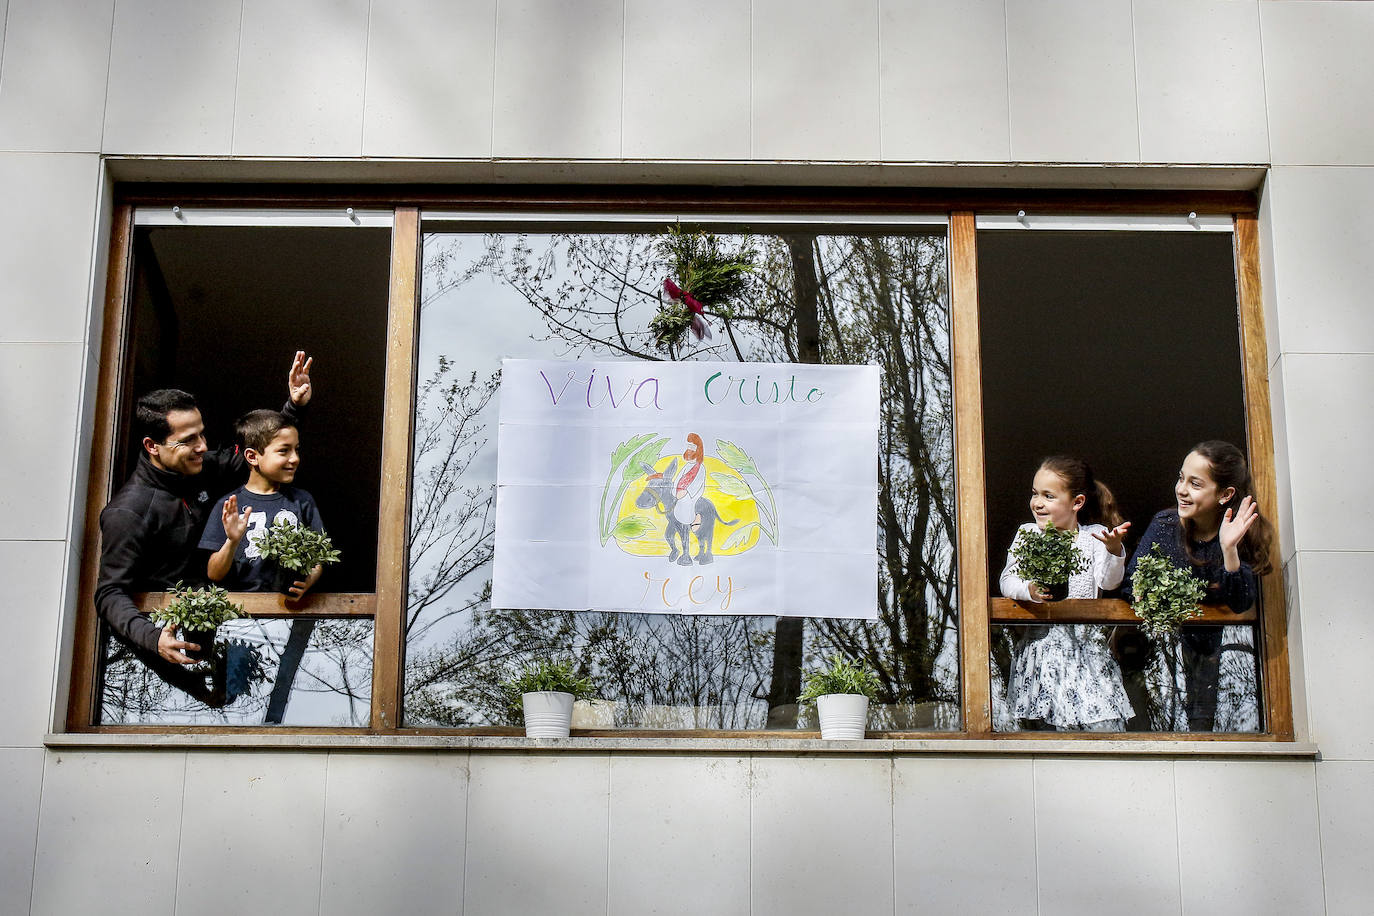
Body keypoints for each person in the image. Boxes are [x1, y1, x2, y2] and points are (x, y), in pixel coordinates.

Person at [94, 352, 313, 666]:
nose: (201, 446)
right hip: (170, 643)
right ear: (152, 446)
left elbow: (256, 457)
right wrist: (153, 637)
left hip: (237, 623)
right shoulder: (129, 512)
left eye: (201, 433)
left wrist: (293, 406)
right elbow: (110, 593)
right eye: (187, 440)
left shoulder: (201, 464)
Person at [1124, 440, 1273, 732]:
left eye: (1195, 483)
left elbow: (1242, 602)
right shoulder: (1166, 525)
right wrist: (1151, 594)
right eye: (1181, 478)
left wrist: (1229, 549)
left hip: (1228, 663)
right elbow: (1131, 584)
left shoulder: (1241, 532)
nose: (1181, 489)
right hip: (1173, 660)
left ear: (1224, 494)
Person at [999, 456, 1135, 731]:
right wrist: (1030, 590)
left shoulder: (1093, 536)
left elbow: (1109, 583)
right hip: (1042, 652)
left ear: (1077, 502)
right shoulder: (1028, 534)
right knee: (1047, 734)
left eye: (1049, 496)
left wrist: (1113, 550)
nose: (1038, 502)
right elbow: (1007, 580)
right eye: (1035, 494)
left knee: (1099, 729)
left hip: (1086, 652)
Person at [200, 409, 325, 597]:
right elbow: (214, 573)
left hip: (288, 610)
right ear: (252, 456)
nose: (295, 458)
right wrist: (232, 541)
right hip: (240, 617)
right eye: (284, 451)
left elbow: (318, 558)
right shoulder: (228, 505)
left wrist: (310, 579)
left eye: (296, 449)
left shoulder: (302, 501)